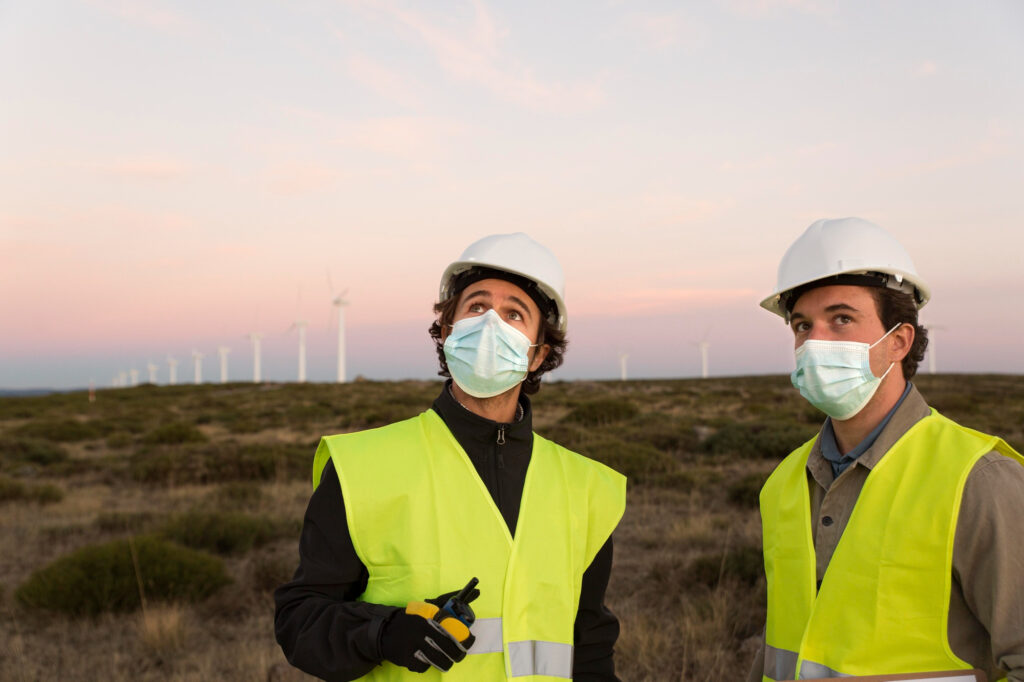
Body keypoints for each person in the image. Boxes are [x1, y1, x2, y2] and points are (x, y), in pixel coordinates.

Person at [275, 232, 627, 681]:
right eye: (476, 307)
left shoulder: (586, 488)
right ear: (446, 331)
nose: (490, 325)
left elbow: (591, 645)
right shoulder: (362, 466)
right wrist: (382, 633)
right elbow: (299, 621)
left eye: (514, 313)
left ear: (538, 354)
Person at [748, 217, 1024, 682]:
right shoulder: (782, 484)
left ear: (898, 340)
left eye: (841, 319)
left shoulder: (978, 480)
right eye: (801, 325)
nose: (815, 342)